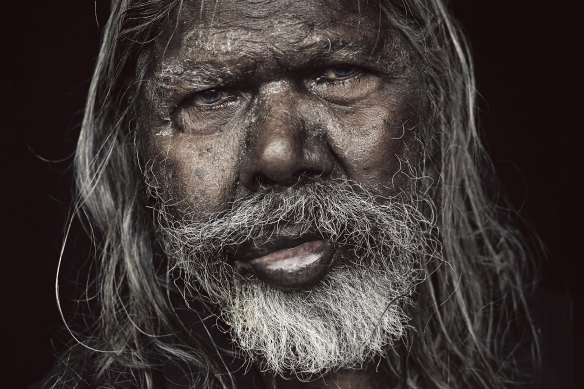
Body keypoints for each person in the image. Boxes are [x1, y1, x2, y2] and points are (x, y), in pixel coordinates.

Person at [36, 0, 543, 388]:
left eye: (337, 73)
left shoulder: (556, 359)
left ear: (433, 102)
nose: (279, 155)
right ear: (136, 151)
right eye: (210, 96)